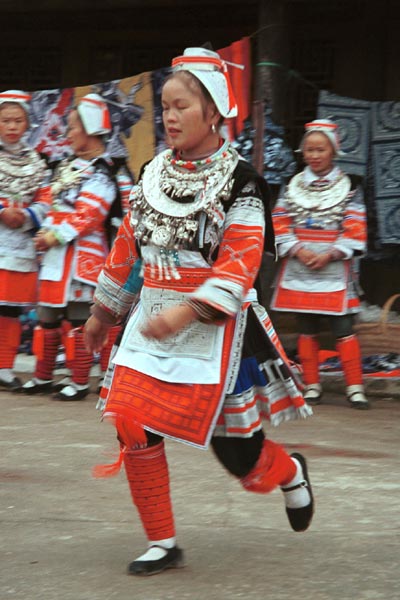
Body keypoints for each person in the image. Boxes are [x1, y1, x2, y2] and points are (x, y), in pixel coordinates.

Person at [84, 47, 314, 576]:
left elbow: (240, 265)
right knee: (131, 420)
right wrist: (102, 314)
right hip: (152, 319)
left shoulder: (242, 182)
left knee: (240, 458)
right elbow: (127, 244)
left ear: (213, 111)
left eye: (181, 105)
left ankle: (288, 471)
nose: (169, 116)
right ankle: (163, 542)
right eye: (164, 105)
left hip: (216, 328)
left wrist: (185, 313)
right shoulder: (152, 171)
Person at [22, 94, 121, 400]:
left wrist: (55, 235)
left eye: (74, 127)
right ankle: (43, 376)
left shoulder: (103, 172)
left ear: (91, 129)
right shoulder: (68, 167)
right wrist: (43, 232)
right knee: (48, 318)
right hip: (56, 255)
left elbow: (90, 215)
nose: (68, 133)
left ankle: (78, 382)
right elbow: (50, 203)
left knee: (78, 318)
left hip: (81, 256)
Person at [271, 119, 368, 409]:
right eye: (309, 150)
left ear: (333, 151)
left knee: (343, 327)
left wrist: (330, 253)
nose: (313, 155)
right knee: (307, 326)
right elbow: (279, 222)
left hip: (334, 267)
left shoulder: (351, 187)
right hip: (299, 266)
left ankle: (355, 387)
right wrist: (298, 250)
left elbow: (355, 228)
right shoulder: (292, 186)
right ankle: (312, 385)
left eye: (320, 149)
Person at [0, 90, 50, 390]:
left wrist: (28, 214)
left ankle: (4, 366)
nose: (11, 126)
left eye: (17, 120)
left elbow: (47, 200)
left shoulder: (37, 163)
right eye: (5, 120)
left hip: (20, 247)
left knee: (10, 310)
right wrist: (3, 211)